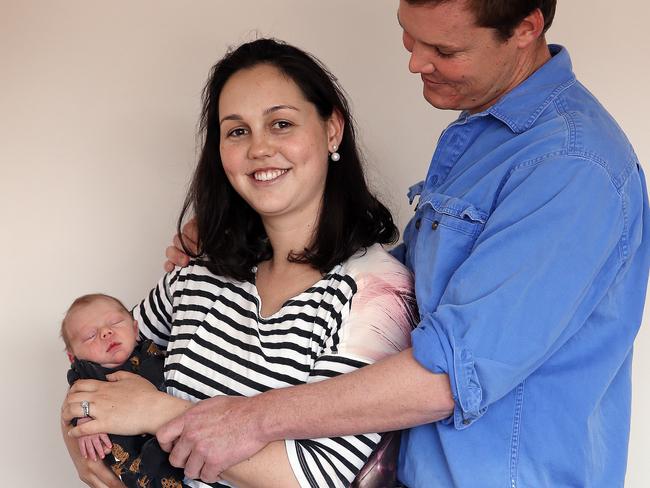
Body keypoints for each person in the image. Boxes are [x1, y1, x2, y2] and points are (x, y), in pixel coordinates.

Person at [161, 1, 650, 487]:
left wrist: (248, 420)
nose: (416, 62)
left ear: (525, 29)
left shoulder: (570, 165)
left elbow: (449, 376)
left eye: (443, 48)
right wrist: (247, 217)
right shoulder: (488, 135)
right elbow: (400, 288)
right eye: (409, 36)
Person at [61, 38, 417, 488]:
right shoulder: (199, 272)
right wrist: (77, 424)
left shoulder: (373, 293)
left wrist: (157, 412)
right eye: (237, 131)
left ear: (332, 130)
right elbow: (103, 354)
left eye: (281, 123)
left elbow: (320, 477)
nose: (259, 148)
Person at [62, 293, 195, 488]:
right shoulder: (85, 375)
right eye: (90, 335)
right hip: (131, 466)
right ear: (73, 357)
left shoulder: (153, 353)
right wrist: (84, 423)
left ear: (135, 329)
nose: (106, 332)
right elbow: (74, 404)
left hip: (174, 451)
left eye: (115, 323)